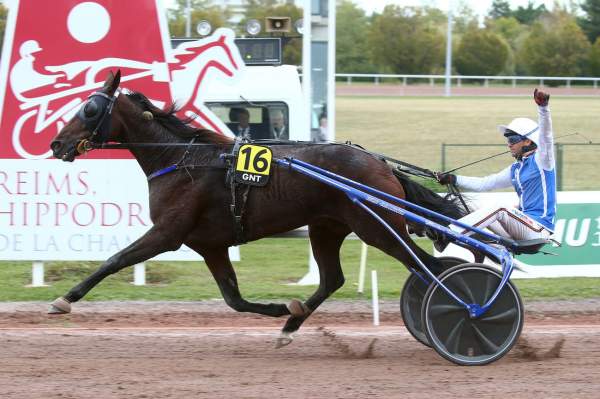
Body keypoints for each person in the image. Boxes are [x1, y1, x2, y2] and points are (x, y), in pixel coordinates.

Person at [434, 88, 556, 250]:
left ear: (527, 141)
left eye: (513, 139)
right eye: (508, 140)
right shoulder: (515, 169)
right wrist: (454, 179)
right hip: (521, 227)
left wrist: (543, 108)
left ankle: (449, 234)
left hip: (538, 230)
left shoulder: (543, 160)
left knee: (500, 207)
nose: (509, 144)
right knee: (470, 207)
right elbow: (485, 184)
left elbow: (546, 137)